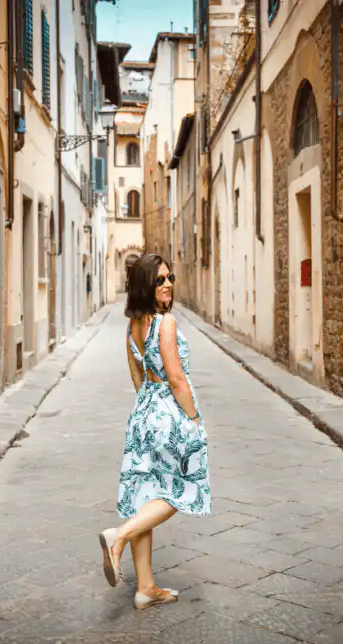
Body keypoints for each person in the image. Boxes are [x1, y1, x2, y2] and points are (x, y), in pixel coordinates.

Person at [98, 253, 212, 610]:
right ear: (146, 286)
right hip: (169, 411)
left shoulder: (132, 327)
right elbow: (176, 377)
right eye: (159, 280)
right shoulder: (166, 323)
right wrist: (193, 420)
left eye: (170, 278)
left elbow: (137, 376)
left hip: (144, 411)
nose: (167, 285)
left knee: (145, 495)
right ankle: (119, 536)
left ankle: (145, 587)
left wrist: (147, 411)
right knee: (184, 488)